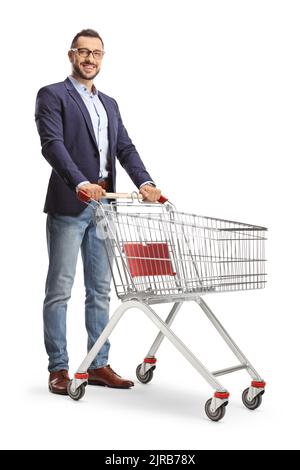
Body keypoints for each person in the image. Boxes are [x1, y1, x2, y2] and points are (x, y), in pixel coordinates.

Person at [35, 28, 161, 395]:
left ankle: (97, 363)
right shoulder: (52, 95)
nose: (90, 59)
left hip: (106, 209)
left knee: (100, 289)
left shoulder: (109, 103)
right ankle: (58, 368)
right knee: (59, 289)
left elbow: (125, 147)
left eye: (97, 54)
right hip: (70, 203)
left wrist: (146, 183)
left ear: (102, 58)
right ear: (71, 55)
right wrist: (79, 182)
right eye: (84, 52)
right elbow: (52, 145)